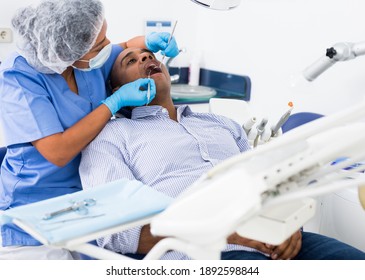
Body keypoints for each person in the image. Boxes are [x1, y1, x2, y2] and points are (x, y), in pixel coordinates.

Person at [79, 47, 365, 260]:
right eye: (130, 61)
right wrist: (229, 232)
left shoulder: (222, 124)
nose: (145, 58)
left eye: (149, 54)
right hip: (204, 253)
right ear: (117, 89)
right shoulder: (112, 137)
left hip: (278, 240)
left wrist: (289, 226)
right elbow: (115, 231)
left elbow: (271, 185)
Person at [0, 0, 179, 260]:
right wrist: (113, 103)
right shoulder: (19, 77)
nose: (109, 47)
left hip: (90, 203)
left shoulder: (88, 60)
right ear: (67, 50)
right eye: (100, 44)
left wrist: (150, 41)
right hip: (36, 208)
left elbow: (127, 46)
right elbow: (57, 151)